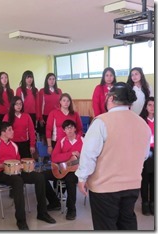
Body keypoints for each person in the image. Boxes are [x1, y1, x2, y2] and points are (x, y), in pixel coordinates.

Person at [75, 82, 151, 230]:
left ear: (111, 98)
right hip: (132, 185)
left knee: (106, 226)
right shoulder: (143, 124)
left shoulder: (101, 122)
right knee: (127, 223)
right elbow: (144, 155)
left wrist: (82, 178)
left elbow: (89, 155)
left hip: (104, 188)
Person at [0, 121, 56, 230]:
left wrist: (23, 166)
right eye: (10, 130)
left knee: (39, 177)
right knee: (18, 181)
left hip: (16, 171)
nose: (13, 131)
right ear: (3, 132)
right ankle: (21, 220)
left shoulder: (14, 145)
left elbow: (18, 161)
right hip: (1, 173)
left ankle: (42, 213)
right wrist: (5, 166)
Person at [43, 120, 83, 220]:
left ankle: (71, 209)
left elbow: (88, 157)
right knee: (41, 176)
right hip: (62, 169)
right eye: (66, 128)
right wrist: (70, 154)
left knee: (70, 180)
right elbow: (54, 157)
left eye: (71, 127)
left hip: (76, 171)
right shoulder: (61, 141)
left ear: (75, 128)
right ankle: (54, 202)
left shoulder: (83, 141)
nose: (69, 130)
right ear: (64, 130)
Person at [139, 96, 154, 216]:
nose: (152, 107)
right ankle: (145, 203)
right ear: (146, 107)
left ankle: (153, 202)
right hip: (145, 152)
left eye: (154, 105)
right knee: (145, 179)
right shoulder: (142, 120)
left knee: (154, 179)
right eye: (149, 105)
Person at [38, 73, 62, 141]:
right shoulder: (42, 91)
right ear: (47, 80)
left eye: (53, 79)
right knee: (46, 136)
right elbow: (39, 105)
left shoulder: (59, 91)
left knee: (55, 134)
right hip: (46, 116)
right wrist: (40, 118)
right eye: (50, 79)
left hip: (56, 115)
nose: (52, 81)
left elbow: (61, 104)